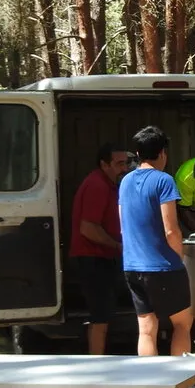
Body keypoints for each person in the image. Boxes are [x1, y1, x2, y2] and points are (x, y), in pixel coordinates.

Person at [119, 126, 193, 388]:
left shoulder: (125, 182)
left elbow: (124, 227)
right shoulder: (164, 181)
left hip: (132, 266)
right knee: (183, 325)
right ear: (163, 153)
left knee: (146, 329)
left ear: (138, 154)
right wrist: (180, 256)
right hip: (164, 267)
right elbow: (171, 229)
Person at [70, 144, 128, 354]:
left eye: (126, 162)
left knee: (103, 315)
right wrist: (117, 246)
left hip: (103, 257)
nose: (124, 168)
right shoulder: (97, 185)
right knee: (100, 317)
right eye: (119, 163)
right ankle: (98, 365)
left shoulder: (110, 184)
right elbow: (87, 228)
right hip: (93, 259)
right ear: (104, 164)